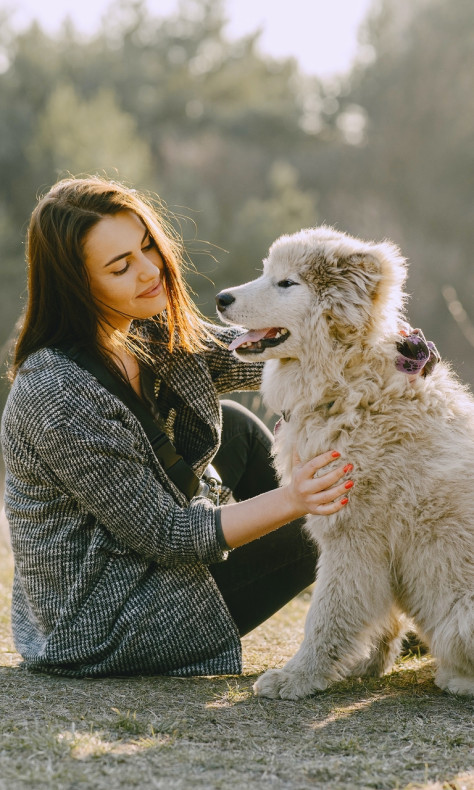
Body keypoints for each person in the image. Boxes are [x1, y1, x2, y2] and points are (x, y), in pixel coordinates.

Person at [0, 176, 352, 678]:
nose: (150, 271)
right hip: (103, 616)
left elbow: (262, 357)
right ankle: (371, 613)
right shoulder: (55, 392)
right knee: (318, 520)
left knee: (238, 429)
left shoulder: (146, 327)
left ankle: (386, 608)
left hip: (150, 556)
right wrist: (295, 498)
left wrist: (382, 345)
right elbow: (167, 534)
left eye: (147, 246)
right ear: (77, 286)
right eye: (121, 266)